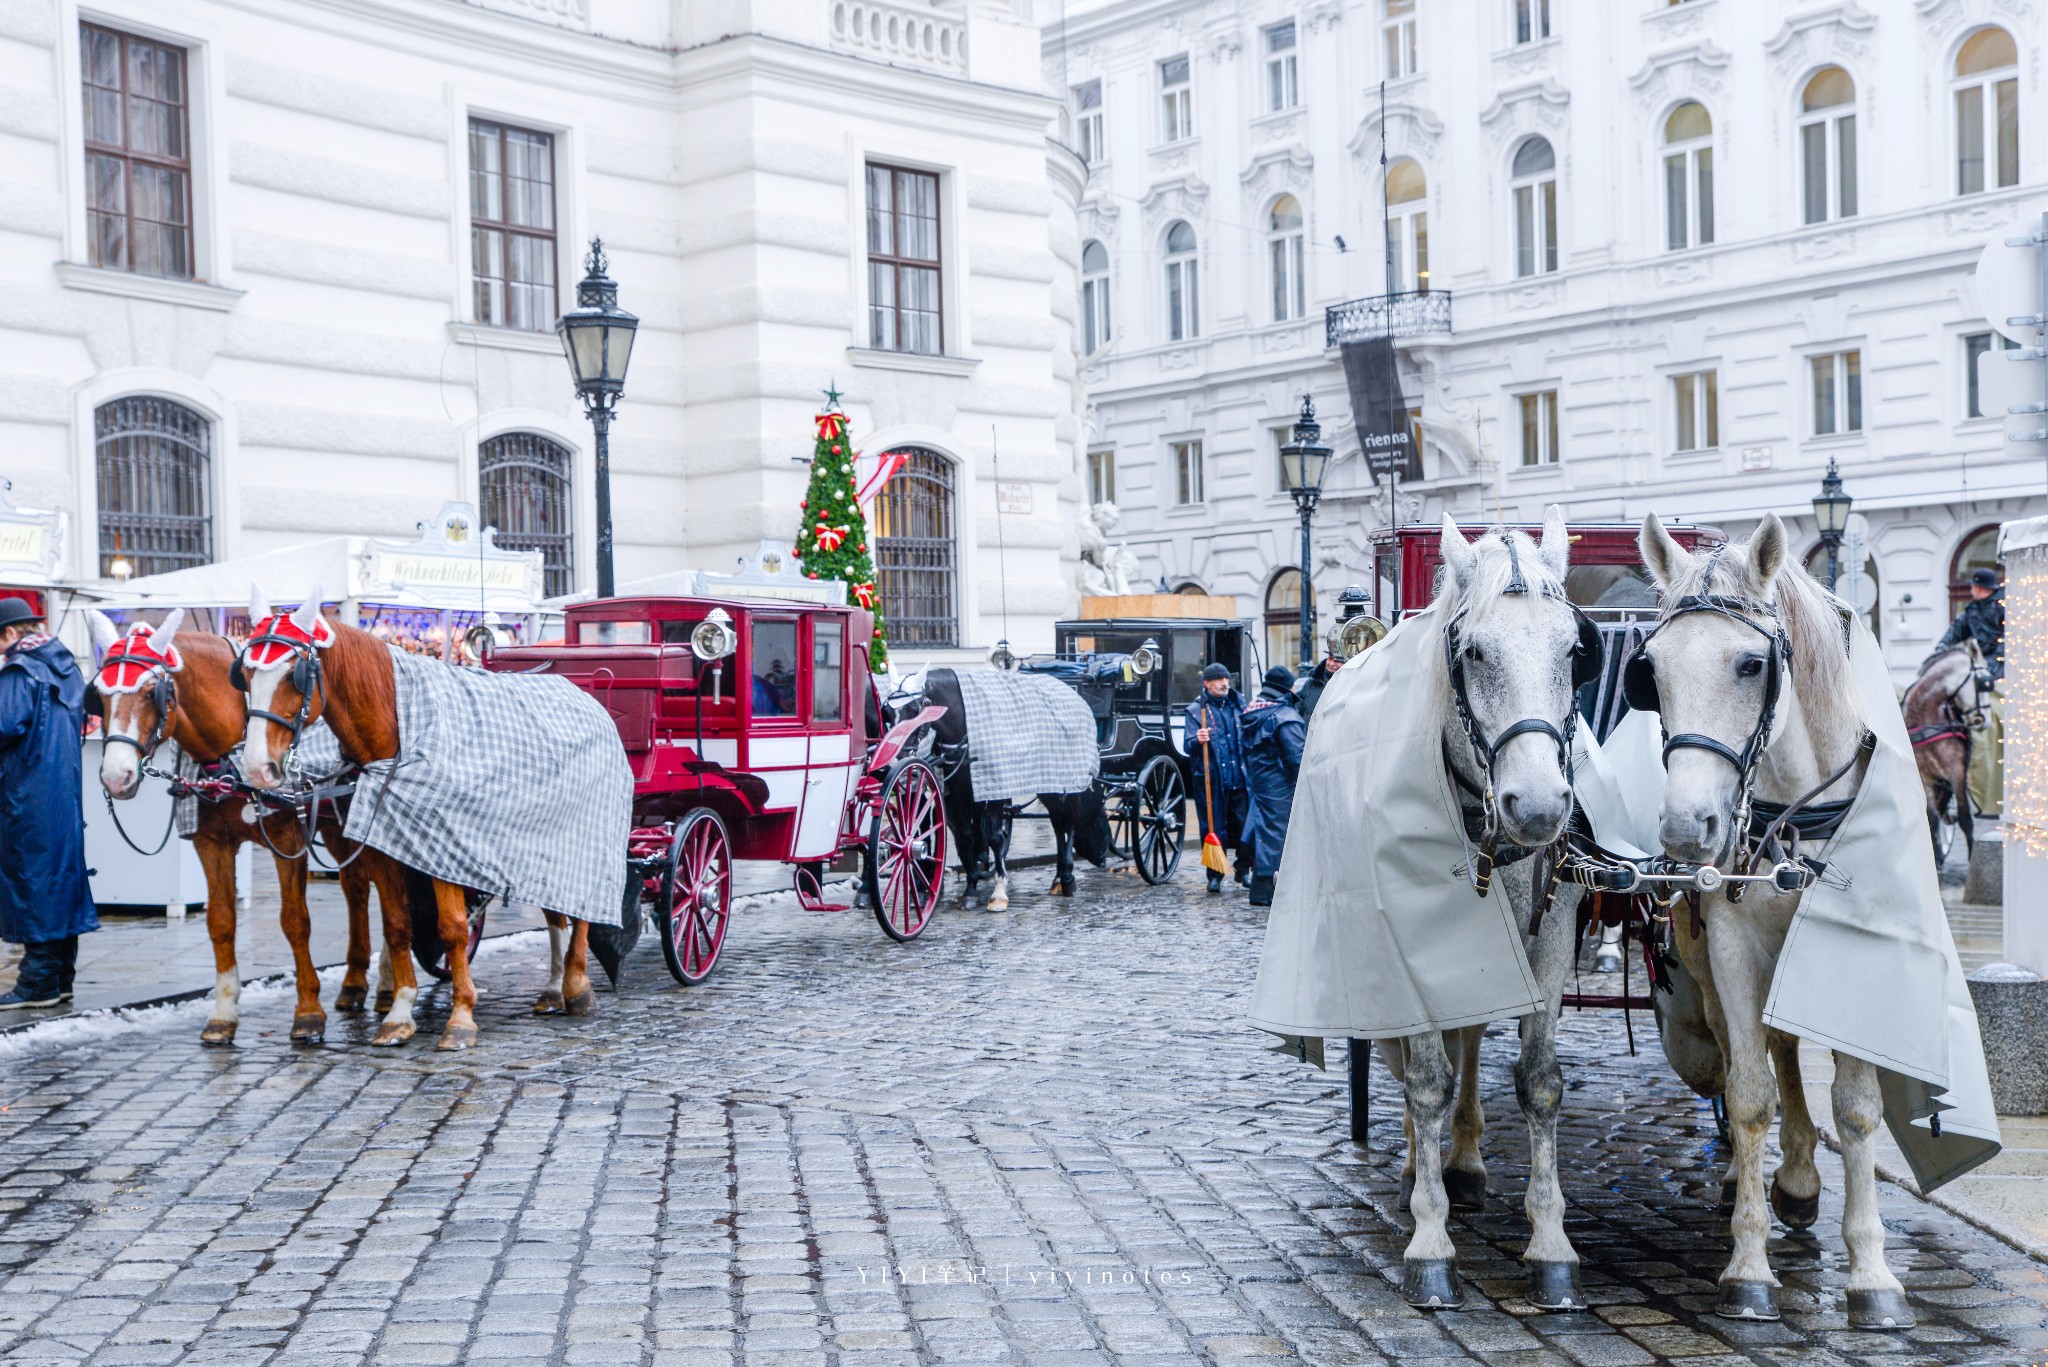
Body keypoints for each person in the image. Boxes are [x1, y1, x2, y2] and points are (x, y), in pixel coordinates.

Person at [0, 598, 98, 1009]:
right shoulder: (67, 668)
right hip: (63, 794)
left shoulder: (21, 670)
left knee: (33, 880)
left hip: (26, 793)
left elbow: (5, 725)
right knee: (62, 877)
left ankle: (37, 983)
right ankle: (60, 978)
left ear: (9, 633)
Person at [1941, 566, 2006, 817]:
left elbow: (2007, 645)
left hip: (2002, 671)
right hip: (1979, 666)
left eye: (1974, 586)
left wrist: (1990, 670)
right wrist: (1939, 653)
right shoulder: (1971, 611)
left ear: (1982, 588)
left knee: (1993, 711)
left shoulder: (2003, 607)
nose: (1970, 590)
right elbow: (1953, 634)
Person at [1241, 665, 1307, 908]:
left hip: (1260, 783)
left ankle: (1261, 889)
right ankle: (1266, 891)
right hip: (1281, 785)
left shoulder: (1252, 712)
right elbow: (1298, 758)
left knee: (1266, 834)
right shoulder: (1284, 717)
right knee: (1278, 837)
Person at [1184, 663, 1251, 893]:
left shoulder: (1238, 704)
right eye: (1219, 680)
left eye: (1226, 679)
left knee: (1244, 826)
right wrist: (1197, 739)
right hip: (1211, 781)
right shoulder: (1196, 710)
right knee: (1213, 828)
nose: (1224, 683)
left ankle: (1243, 869)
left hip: (1238, 777)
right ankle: (1215, 874)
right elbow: (1187, 745)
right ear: (1207, 684)